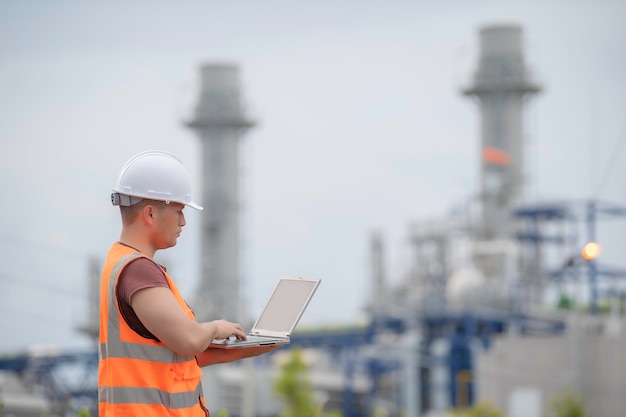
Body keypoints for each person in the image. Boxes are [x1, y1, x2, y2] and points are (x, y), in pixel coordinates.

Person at [98, 150, 278, 416]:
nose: (183, 222)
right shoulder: (138, 271)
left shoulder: (125, 264)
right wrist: (216, 327)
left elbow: (183, 355)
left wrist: (254, 346)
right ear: (149, 214)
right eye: (179, 211)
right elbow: (188, 340)